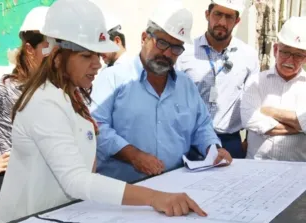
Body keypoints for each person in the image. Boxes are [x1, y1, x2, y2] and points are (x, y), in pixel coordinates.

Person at [0, 0, 208, 223]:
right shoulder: (44, 102)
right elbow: (76, 180)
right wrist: (154, 197)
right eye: (87, 56)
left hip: (57, 220)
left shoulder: (71, 97)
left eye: (98, 55)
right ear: (57, 55)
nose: (97, 64)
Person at [90, 1, 232, 183]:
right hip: (123, 191)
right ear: (144, 38)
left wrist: (213, 148)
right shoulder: (112, 78)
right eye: (162, 43)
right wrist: (133, 155)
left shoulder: (186, 85)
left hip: (175, 185)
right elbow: (96, 127)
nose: (167, 54)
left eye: (176, 48)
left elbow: (201, 126)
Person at [0, 6, 49, 223]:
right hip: (8, 189)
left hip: (46, 187)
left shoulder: (59, 88)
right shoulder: (4, 88)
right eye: (48, 47)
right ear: (30, 49)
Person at [176, 0, 260, 158]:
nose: (222, 22)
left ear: (237, 21)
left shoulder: (249, 56)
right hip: (189, 141)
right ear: (207, 15)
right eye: (218, 14)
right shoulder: (185, 52)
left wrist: (248, 141)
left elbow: (252, 100)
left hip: (230, 142)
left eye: (229, 17)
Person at [241, 16, 306, 161]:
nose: (290, 60)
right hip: (256, 167)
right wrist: (300, 126)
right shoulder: (256, 81)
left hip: (297, 170)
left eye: (298, 55)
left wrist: (271, 111)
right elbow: (249, 120)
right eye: (285, 52)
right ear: (275, 49)